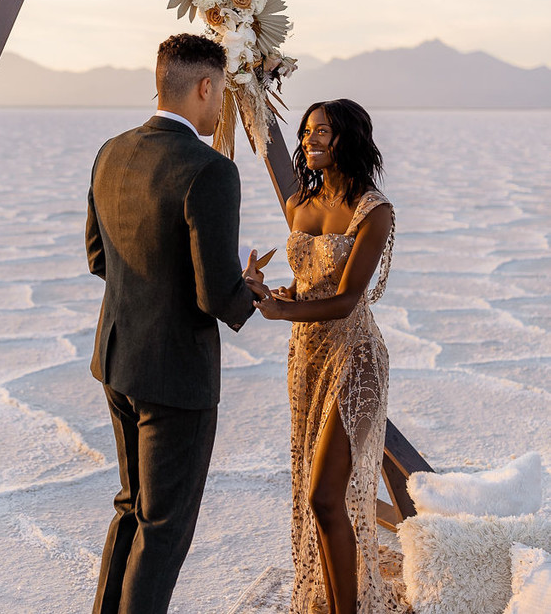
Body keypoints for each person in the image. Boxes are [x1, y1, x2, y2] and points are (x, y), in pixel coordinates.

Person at [86, 33, 260, 614]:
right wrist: (249, 292)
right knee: (163, 532)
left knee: (132, 510)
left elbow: (97, 257)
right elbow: (215, 295)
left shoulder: (111, 151)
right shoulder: (210, 170)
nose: (221, 110)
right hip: (176, 379)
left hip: (117, 362)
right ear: (204, 86)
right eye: (221, 94)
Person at [246, 99, 408, 614]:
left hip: (356, 359)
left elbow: (344, 300)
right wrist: (270, 291)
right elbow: (308, 289)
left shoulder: (373, 210)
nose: (312, 140)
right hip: (306, 360)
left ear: (350, 141)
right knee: (314, 495)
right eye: (308, 131)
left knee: (325, 497)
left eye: (325, 132)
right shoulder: (300, 206)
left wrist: (277, 311)